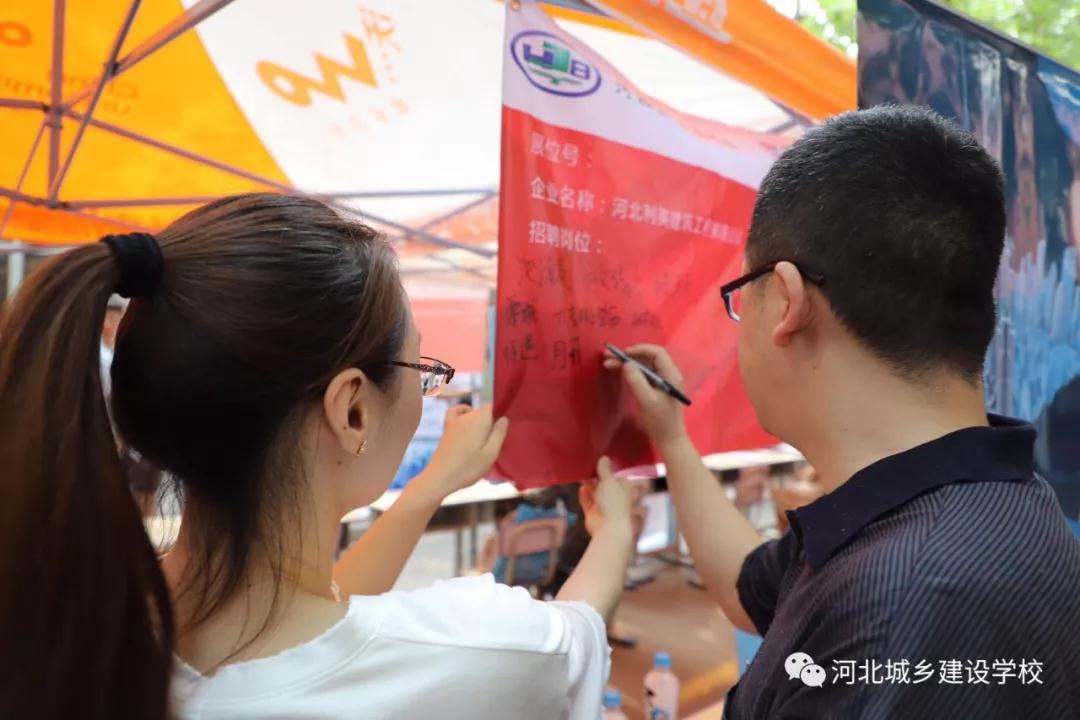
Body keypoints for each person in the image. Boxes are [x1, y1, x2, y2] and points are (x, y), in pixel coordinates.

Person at [0, 193, 634, 720]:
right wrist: (614, 527)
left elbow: (311, 628)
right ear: (352, 408)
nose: (426, 388)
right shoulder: (480, 650)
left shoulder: (72, 624)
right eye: (418, 366)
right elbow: (576, 632)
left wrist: (428, 489)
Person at [605, 106, 1080, 718]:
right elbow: (751, 588)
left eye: (741, 294)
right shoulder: (974, 504)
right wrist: (671, 436)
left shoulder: (899, 605)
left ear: (786, 300)